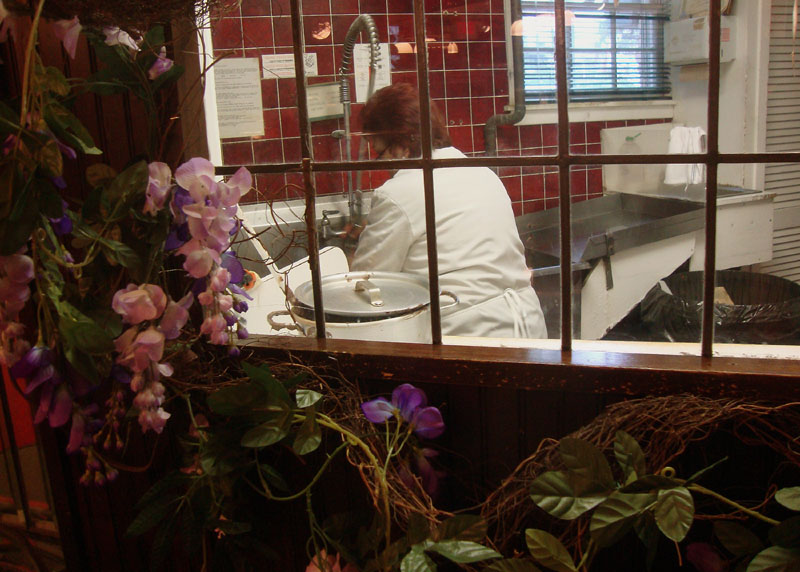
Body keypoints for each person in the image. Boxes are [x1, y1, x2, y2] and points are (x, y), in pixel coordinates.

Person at [349, 82, 547, 339]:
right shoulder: (482, 173)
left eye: (380, 151)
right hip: (529, 325)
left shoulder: (397, 193)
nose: (384, 164)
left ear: (402, 143)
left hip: (466, 333)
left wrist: (351, 253)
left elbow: (367, 282)